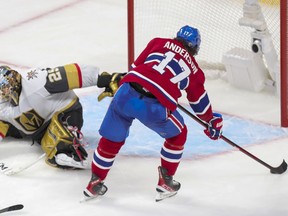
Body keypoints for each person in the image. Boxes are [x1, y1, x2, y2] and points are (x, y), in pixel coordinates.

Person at [83, 25, 224, 201]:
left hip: (125, 93)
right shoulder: (195, 70)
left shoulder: (157, 42)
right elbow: (200, 106)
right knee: (178, 135)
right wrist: (211, 121)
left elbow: (135, 67)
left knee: (111, 139)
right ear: (195, 47)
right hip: (154, 106)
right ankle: (166, 181)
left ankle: (95, 182)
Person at [0, 64, 120, 169]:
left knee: (61, 137)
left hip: (62, 112)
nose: (1, 94)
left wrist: (103, 79)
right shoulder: (3, 102)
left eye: (2, 89)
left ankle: (69, 146)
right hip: (35, 131)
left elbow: (69, 74)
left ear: (12, 83)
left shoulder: (37, 80)